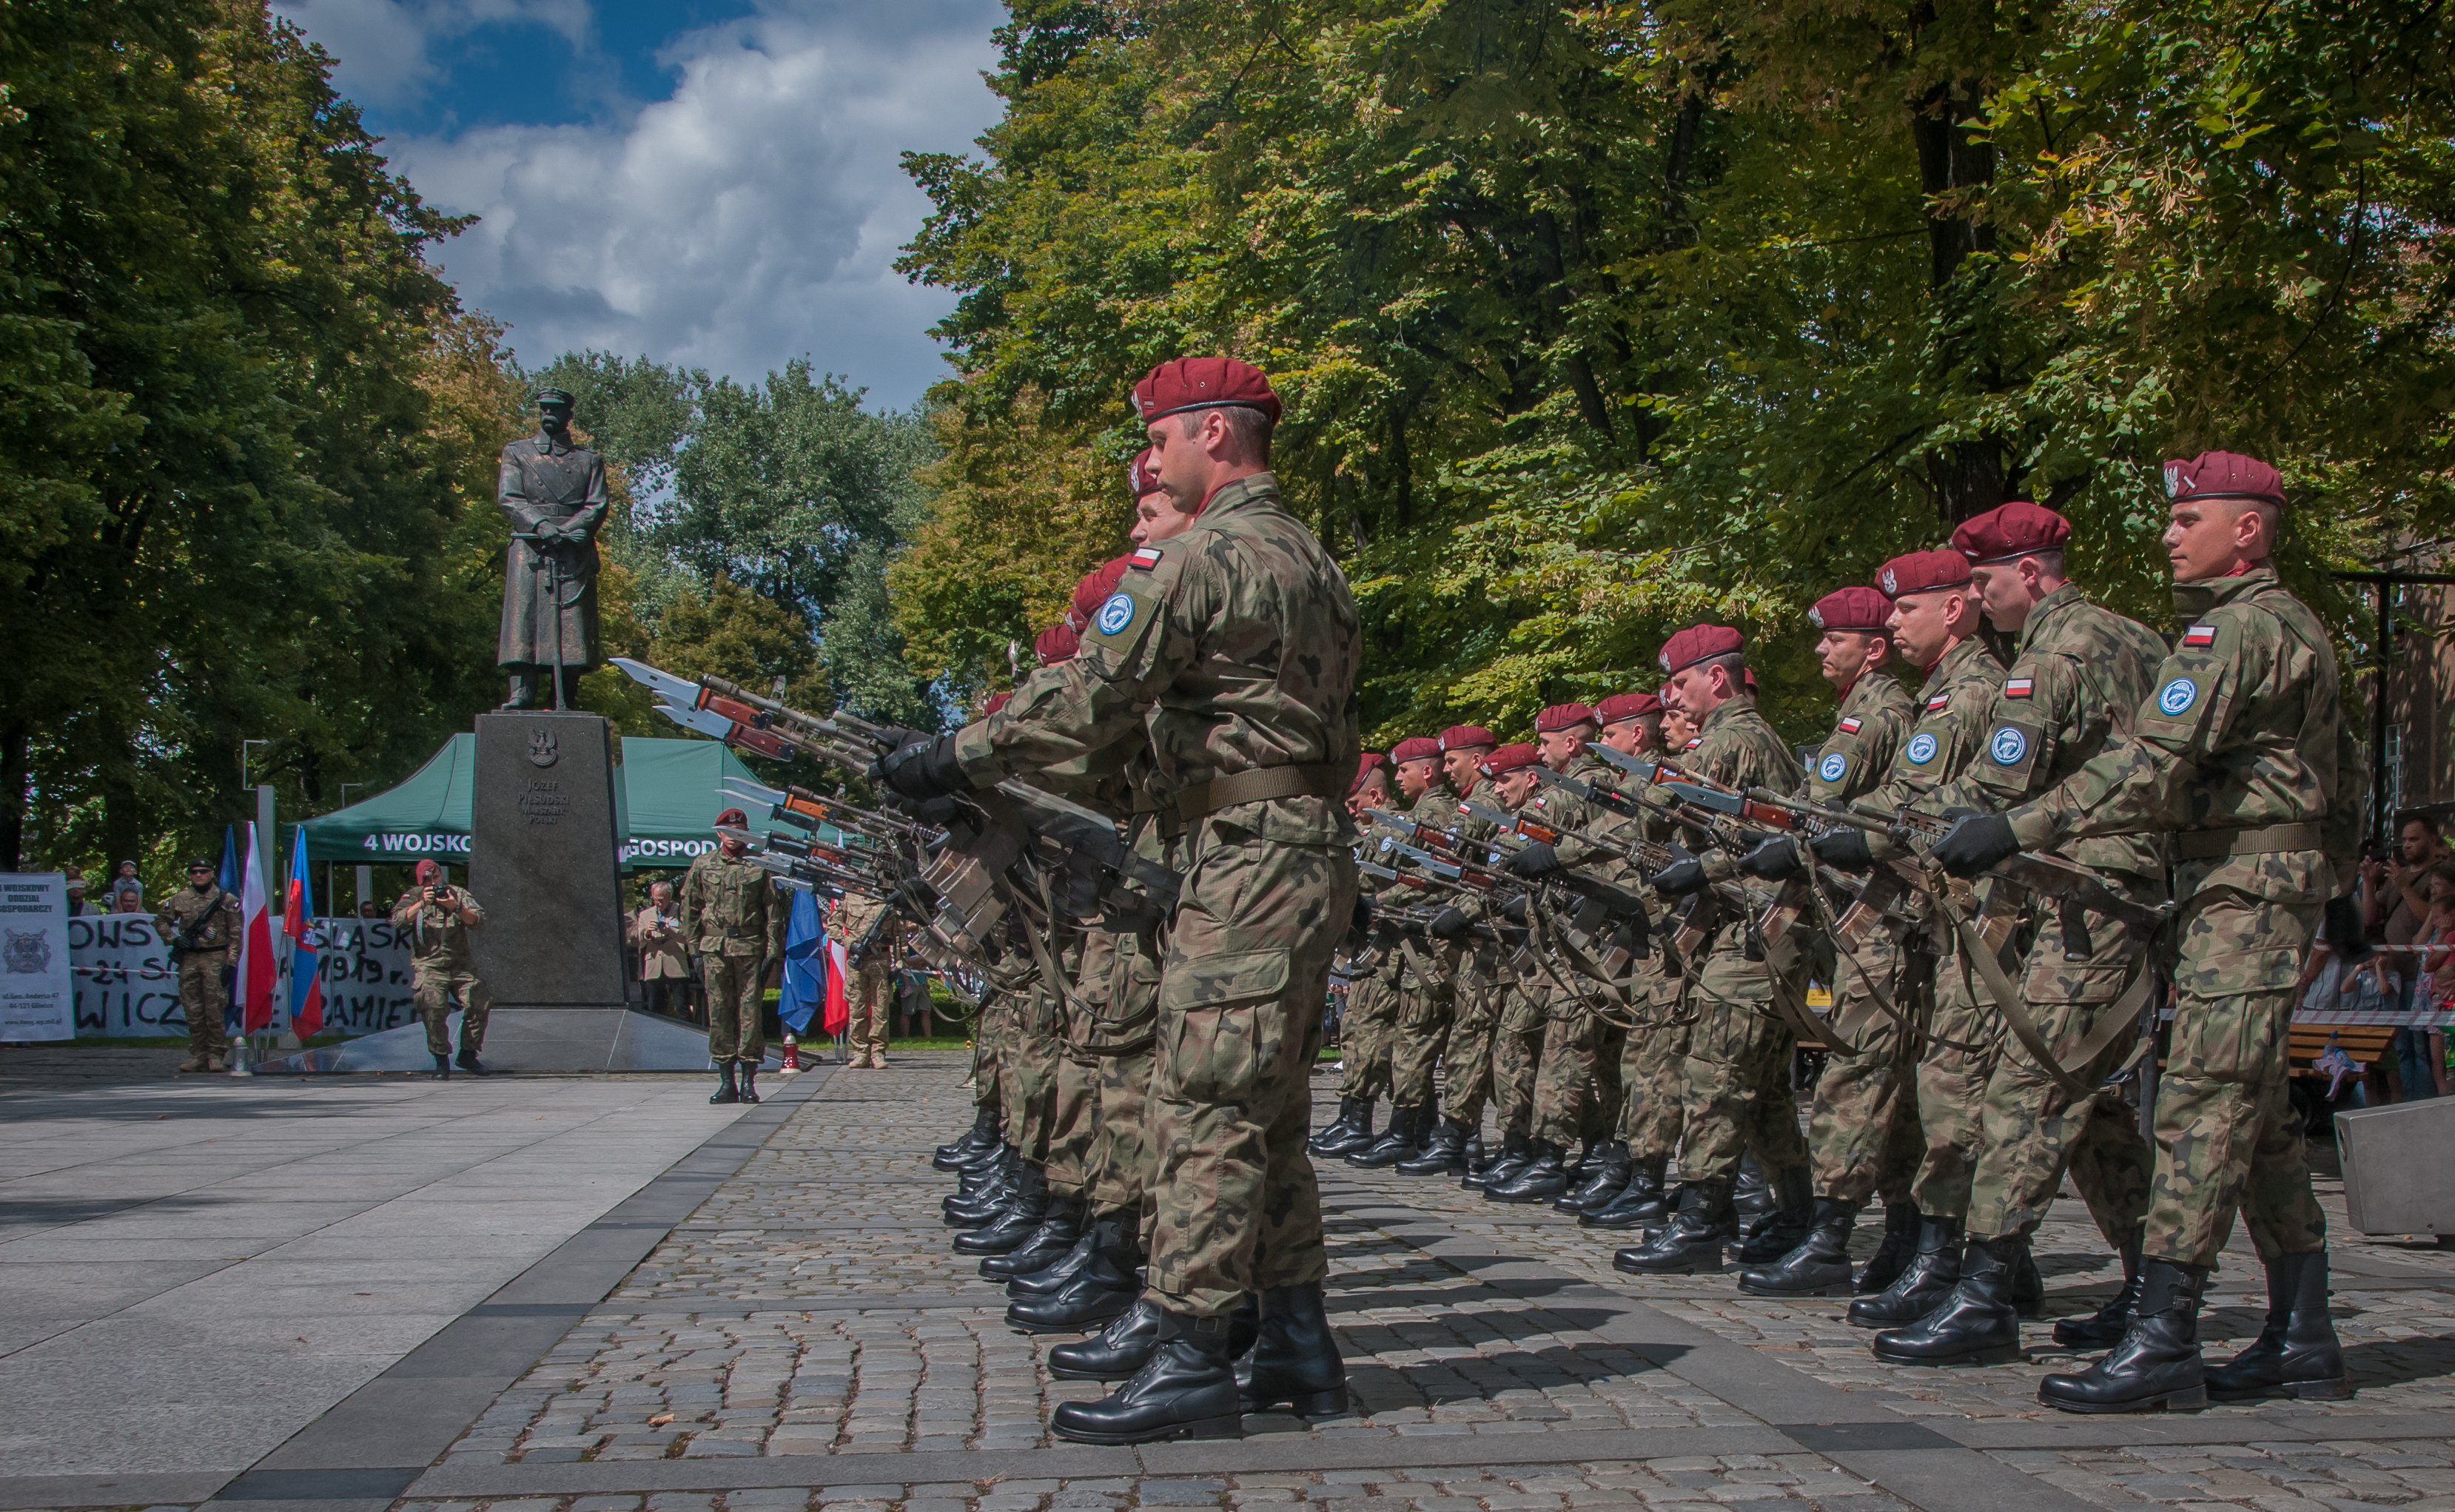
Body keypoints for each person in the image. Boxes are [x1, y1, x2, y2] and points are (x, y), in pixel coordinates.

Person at [879, 354, 1360, 1445]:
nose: (1150, 459)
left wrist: (953, 754)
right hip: (1293, 848)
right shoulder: (1314, 561)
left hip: (1241, 854)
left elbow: (1091, 698)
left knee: (1201, 1100)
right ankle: (1293, 1336)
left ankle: (1193, 1350)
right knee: (1268, 1105)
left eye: (1160, 438)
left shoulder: (1201, 556)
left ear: (1216, 438)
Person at [1930, 448, 2362, 1413]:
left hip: (2243, 889)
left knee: (2201, 1108)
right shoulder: (2282, 625)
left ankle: (2164, 1336)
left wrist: (2015, 826)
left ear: (2245, 528)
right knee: (2255, 1118)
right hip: (2248, 880)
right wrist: (2330, 875)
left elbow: (2145, 767)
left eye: (2187, 518)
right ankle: (2302, 1331)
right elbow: (2346, 763)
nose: (2169, 534)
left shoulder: (2237, 628)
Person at [1862, 500, 2167, 1365]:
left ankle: (1985, 1295)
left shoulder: (2052, 654)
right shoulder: (2136, 638)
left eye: (1986, 581)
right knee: (2094, 1104)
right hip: (2108, 894)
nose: (1979, 597)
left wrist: (1904, 834)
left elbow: (1999, 789)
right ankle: (2145, 1288)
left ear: (2029, 575)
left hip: (2083, 899)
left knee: (2024, 1091)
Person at [1734, 584, 1921, 1297]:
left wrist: (1783, 838)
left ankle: (1832, 1237)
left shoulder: (1876, 715)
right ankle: (1901, 1240)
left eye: (1832, 638)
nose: (1818, 648)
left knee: (1856, 1079)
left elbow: (1824, 813)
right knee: (1886, 1088)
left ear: (1870, 649)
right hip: (1862, 919)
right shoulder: (1866, 711)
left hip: (1881, 921)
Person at [1613, 625, 1810, 1275]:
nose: (1668, 696)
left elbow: (1657, 817)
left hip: (1754, 930)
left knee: (1713, 1076)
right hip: (1762, 930)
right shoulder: (1754, 737)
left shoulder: (1726, 741)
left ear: (1716, 679)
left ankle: (1703, 1219)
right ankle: (1794, 1213)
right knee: (1762, 1091)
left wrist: (1689, 859)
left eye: (1678, 682)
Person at [681, 807, 788, 1104]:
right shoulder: (703, 865)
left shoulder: (760, 864)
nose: (733, 837)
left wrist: (773, 951)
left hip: (750, 947)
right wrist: (693, 950)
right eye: (728, 832)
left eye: (739, 831)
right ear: (719, 834)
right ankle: (725, 1080)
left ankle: (748, 1081)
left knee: (750, 1014)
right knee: (719, 1014)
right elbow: (689, 908)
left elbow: (774, 911)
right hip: (714, 948)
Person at [389, 859, 488, 1078]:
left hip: (460, 964)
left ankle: (468, 1054)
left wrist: (456, 907)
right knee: (433, 1006)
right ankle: (441, 1059)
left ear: (441, 875)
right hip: (429, 966)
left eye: (435, 878)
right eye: (427, 881)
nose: (433, 884)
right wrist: (421, 904)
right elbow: (398, 921)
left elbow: (478, 921)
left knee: (479, 1000)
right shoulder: (414, 895)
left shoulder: (457, 894)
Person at [157, 860, 239, 1072]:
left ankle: (215, 1054)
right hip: (190, 959)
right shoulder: (179, 898)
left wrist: (231, 962)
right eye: (194, 872)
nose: (199, 875)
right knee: (192, 1008)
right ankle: (198, 1055)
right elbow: (160, 921)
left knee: (214, 1008)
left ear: (212, 873)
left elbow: (236, 934)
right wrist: (174, 939)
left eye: (203, 871)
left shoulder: (226, 900)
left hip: (215, 957)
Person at [831, 885, 901, 1069]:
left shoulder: (888, 901)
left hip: (880, 959)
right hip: (857, 962)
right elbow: (833, 927)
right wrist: (851, 944)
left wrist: (900, 964)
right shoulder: (850, 898)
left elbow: (900, 935)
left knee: (881, 1010)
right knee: (857, 1009)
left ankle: (878, 1053)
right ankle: (860, 1052)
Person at [631, 881, 693, 1021]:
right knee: (655, 1009)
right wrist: (647, 933)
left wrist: (670, 931)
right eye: (655, 900)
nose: (658, 903)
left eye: (661, 900)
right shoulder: (645, 915)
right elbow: (638, 943)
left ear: (669, 897)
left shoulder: (681, 912)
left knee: (682, 1008)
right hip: (654, 965)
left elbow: (689, 938)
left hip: (676, 965)